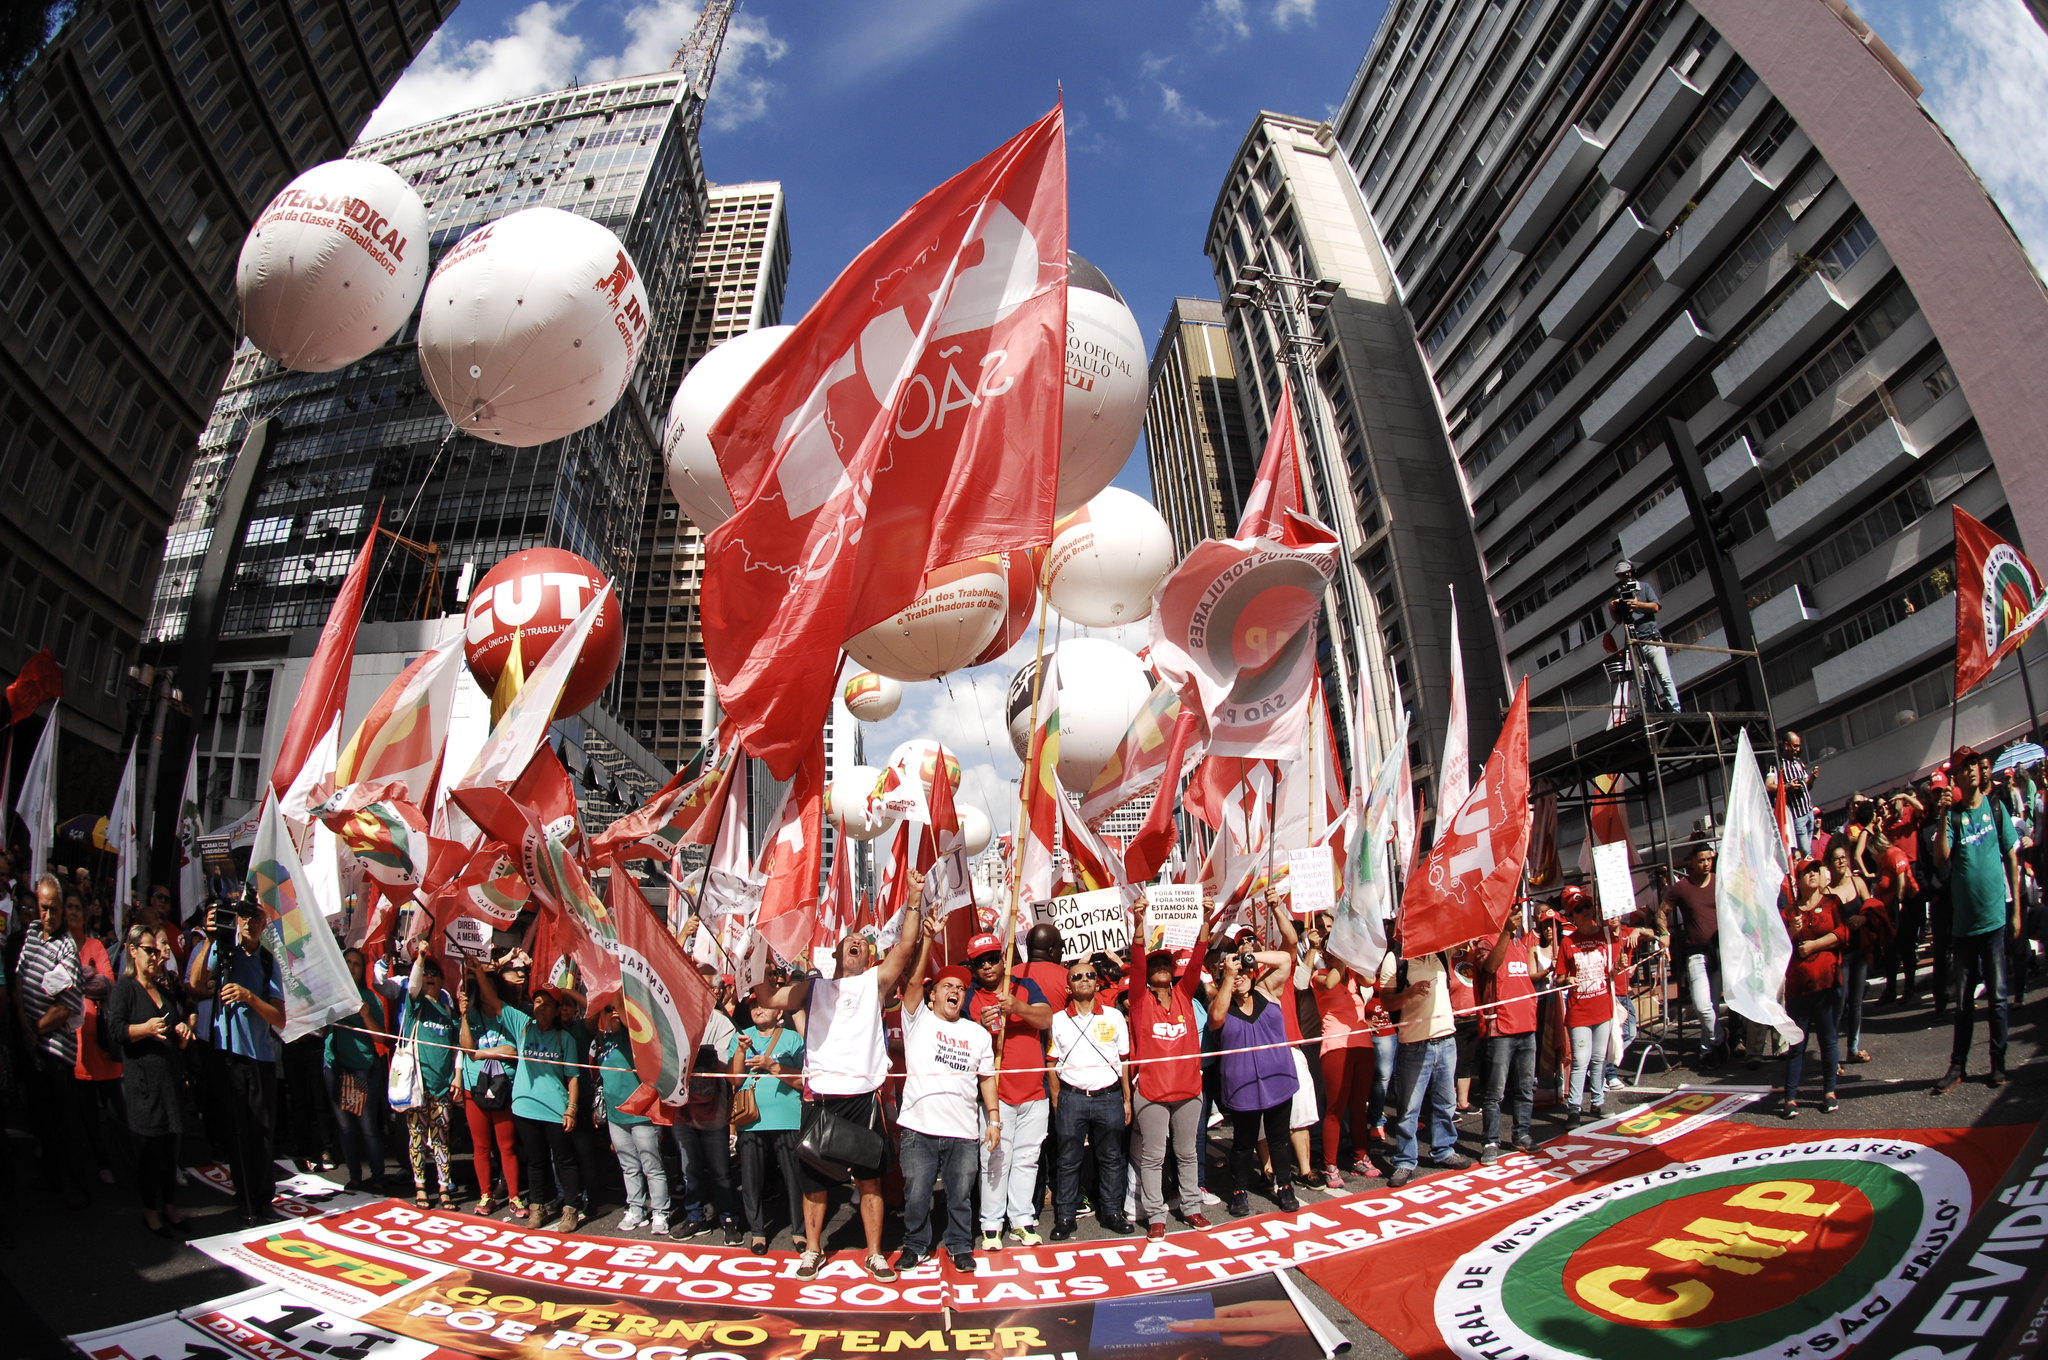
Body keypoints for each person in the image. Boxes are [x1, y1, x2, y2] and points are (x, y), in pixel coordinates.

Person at [748, 879, 925, 1282]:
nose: (857, 942)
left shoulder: (875, 982)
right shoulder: (813, 988)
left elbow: (905, 948)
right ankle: (813, 1250)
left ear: (868, 957)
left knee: (870, 1183)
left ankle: (875, 1254)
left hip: (863, 1099)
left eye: (863, 942)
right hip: (821, 1099)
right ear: (836, 953)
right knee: (814, 1183)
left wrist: (914, 900)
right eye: (850, 940)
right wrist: (758, 946)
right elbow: (769, 999)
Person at [895, 918, 997, 1273]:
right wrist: (927, 938)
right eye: (948, 986)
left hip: (963, 1131)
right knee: (916, 1194)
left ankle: (959, 1245)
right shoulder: (917, 1020)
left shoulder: (978, 1034)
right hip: (918, 1129)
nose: (955, 991)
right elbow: (911, 982)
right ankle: (915, 1245)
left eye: (961, 988)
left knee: (961, 1196)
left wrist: (994, 1120)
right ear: (933, 995)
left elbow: (987, 1079)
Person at [190, 896, 285, 1222]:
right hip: (227, 1054)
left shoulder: (268, 961)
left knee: (261, 1131)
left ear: (264, 923)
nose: (249, 922)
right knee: (235, 1129)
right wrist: (210, 939)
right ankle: (244, 1194)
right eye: (243, 916)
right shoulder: (223, 950)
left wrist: (248, 997)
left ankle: (263, 1197)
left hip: (259, 1057)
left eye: (255, 917)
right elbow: (196, 984)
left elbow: (279, 1018)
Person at [1932, 746, 2021, 1092]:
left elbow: (2011, 856)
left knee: (1997, 998)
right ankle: (1958, 1065)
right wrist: (1942, 815)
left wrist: (2015, 909)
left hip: (1994, 919)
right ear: (1954, 777)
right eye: (1963, 766)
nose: (1970, 770)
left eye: (1973, 764)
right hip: (1964, 927)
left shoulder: (1995, 807)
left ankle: (1998, 1063)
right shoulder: (1953, 816)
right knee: (1964, 1002)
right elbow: (1941, 858)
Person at [969, 926, 1058, 1252]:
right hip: (997, 1095)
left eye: (993, 958)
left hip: (1033, 1093)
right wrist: (979, 1025)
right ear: (974, 967)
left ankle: (1022, 1219)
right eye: (980, 962)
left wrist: (1017, 1007)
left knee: (1027, 1159)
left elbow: (1046, 1019)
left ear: (1003, 959)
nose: (988, 966)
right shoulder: (970, 996)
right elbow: (962, 1035)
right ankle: (991, 1224)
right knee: (994, 1160)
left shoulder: (1025, 985)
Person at [1129, 911, 1214, 1235]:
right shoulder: (1139, 1000)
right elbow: (1137, 961)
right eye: (1156, 965)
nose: (1162, 967)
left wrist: (1205, 919)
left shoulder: (1184, 994)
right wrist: (1139, 923)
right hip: (1151, 1093)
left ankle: (1192, 1208)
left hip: (1189, 1091)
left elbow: (1198, 957)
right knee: (1153, 1157)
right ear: (1147, 974)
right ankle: (1155, 1215)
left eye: (1167, 963)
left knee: (1187, 1153)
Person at [105, 925, 193, 1237]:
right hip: (144, 1085)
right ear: (133, 951)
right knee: (150, 1153)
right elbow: (116, 1030)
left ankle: (169, 1206)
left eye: (157, 951)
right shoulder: (125, 989)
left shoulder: (162, 989)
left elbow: (176, 1032)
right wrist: (145, 1028)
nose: (155, 956)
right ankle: (150, 1212)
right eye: (149, 950)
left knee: (170, 1150)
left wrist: (182, 1033)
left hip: (169, 1081)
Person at [477, 969, 582, 1231]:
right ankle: (537, 1207)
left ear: (557, 1010)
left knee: (564, 1161)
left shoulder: (565, 1038)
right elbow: (494, 1002)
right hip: (525, 1108)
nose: (540, 1007)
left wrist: (571, 1108)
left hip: (555, 1110)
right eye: (537, 1002)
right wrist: (479, 972)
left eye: (546, 1004)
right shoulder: (523, 1026)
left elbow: (573, 1077)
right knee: (535, 1162)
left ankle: (571, 1209)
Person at [16, 874, 93, 1205]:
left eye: (54, 909)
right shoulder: (33, 934)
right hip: (31, 1043)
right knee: (41, 1118)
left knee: (65, 1121)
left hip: (55, 1051)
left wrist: (35, 1029)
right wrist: (24, 1025)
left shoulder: (67, 948)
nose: (48, 915)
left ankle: (77, 1187)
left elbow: (67, 1006)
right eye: (43, 908)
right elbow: (19, 980)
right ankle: (50, 1176)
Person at [1212, 937, 1303, 1213]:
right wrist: (1228, 977)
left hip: (1278, 1080)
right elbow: (1216, 1019)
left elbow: (1285, 959)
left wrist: (1250, 957)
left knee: (1279, 1138)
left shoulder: (1267, 990)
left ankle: (1285, 1187)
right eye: (1233, 974)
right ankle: (1239, 1192)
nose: (1239, 976)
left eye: (1243, 972)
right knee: (1243, 1142)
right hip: (1243, 1086)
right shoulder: (1222, 1001)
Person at [1049, 951, 1133, 1240]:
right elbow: (1051, 1063)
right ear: (1068, 987)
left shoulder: (1115, 1016)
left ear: (1098, 984)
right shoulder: (1057, 1020)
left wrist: (1126, 1099)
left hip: (1109, 1097)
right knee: (1068, 1159)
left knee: (1111, 1157)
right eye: (1077, 976)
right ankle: (1065, 1216)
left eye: (1090, 976)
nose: (1084, 979)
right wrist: (1057, 1099)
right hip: (1072, 1098)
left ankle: (1112, 1212)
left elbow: (1124, 1061)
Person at [1376, 929, 1467, 1189]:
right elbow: (1386, 1001)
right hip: (1414, 1043)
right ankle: (1405, 1160)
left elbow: (1462, 937)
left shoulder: (1441, 952)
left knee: (1446, 1102)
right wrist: (1409, 993)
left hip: (1446, 1039)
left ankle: (1444, 1149)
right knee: (1409, 1108)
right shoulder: (1395, 959)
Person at [731, 992, 806, 1253]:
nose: (757, 1009)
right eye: (753, 1006)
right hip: (751, 1119)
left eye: (763, 1005)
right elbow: (735, 1080)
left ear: (779, 1012)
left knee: (794, 1178)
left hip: (788, 1118)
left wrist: (773, 1066)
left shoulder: (793, 1038)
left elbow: (804, 1081)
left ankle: (800, 1230)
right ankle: (758, 1232)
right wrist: (740, 1052)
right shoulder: (742, 1036)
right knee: (751, 1179)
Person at [1304, 915, 1376, 1187]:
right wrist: (1343, 959)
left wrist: (1356, 957)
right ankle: (1330, 1165)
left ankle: (1360, 1156)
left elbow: (1370, 979)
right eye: (1335, 949)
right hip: (1336, 1046)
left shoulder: (1354, 976)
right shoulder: (1319, 976)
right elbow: (1331, 983)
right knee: (1335, 1106)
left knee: (1359, 1105)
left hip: (1362, 1044)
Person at [386, 948, 460, 1208]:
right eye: (425, 973)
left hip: (442, 1088)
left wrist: (456, 1078)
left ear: (442, 981)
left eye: (434, 974)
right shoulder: (415, 1004)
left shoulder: (448, 1011)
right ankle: (420, 1187)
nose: (429, 977)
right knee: (417, 1138)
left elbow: (456, 1048)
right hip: (418, 1086)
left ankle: (444, 1187)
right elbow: (414, 984)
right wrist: (419, 958)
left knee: (441, 1140)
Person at [672, 963, 740, 1243]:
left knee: (720, 1170)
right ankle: (695, 1217)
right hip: (682, 1108)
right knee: (690, 1169)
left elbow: (720, 1064)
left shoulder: (723, 1024)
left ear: (715, 992)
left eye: (705, 986)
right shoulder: (676, 1019)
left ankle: (729, 1219)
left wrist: (692, 1053)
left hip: (713, 1110)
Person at [1476, 914, 1549, 1164]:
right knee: (1495, 1092)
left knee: (1525, 1088)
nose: (1517, 917)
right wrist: (1506, 933)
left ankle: (1522, 1134)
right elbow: (1490, 967)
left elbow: (1526, 978)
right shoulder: (1486, 942)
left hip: (1526, 1025)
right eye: (1512, 912)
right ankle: (1490, 1140)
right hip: (1501, 1029)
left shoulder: (1520, 944)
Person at [592, 1002, 669, 1235]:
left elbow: (634, 1027)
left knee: (652, 1165)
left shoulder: (636, 1038)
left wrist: (621, 1007)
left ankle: (660, 1212)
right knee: (628, 1166)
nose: (613, 1012)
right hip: (616, 1115)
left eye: (618, 1008)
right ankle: (636, 1209)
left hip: (642, 1113)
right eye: (608, 1010)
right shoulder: (603, 1041)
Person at [455, 959, 520, 1214]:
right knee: (481, 1146)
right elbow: (467, 1048)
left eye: (489, 988)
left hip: (504, 1088)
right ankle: (485, 1195)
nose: (484, 993)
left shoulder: (507, 1014)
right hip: (475, 1088)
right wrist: (463, 1016)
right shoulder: (472, 1014)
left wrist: (483, 1054)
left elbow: (512, 1050)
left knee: (507, 1146)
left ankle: (514, 1196)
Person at [1781, 860, 1844, 1117]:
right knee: (1797, 1043)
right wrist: (1791, 932)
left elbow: (1843, 933)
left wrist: (1815, 945)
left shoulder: (1832, 903)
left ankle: (1829, 1092)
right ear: (1798, 880)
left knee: (1828, 1039)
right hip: (1798, 987)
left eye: (1816, 870)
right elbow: (1778, 948)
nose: (1813, 874)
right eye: (1807, 872)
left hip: (1827, 982)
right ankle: (1790, 1097)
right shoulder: (1789, 913)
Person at [324, 948, 388, 1193]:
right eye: (347, 962)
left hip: (361, 1068)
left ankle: (378, 1176)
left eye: (357, 964)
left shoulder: (368, 997)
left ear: (363, 970)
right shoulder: (330, 994)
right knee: (345, 1126)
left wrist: (366, 1015)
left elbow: (380, 1037)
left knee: (367, 1126)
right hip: (334, 1065)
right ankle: (354, 1176)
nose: (351, 968)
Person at [1557, 889, 1622, 1128]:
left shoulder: (1606, 935)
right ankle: (1574, 1108)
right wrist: (1567, 980)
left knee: (1598, 1058)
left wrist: (1620, 965)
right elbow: (1559, 977)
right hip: (1579, 1011)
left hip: (1602, 1007)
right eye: (1579, 909)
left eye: (1587, 906)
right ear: (1572, 916)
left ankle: (1597, 1101)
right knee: (1581, 1060)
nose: (1585, 911)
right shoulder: (1568, 942)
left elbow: (1614, 969)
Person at [1659, 847, 1724, 1063]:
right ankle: (1719, 1040)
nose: (1706, 864)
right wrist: (1665, 933)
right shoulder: (1682, 887)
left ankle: (1708, 1051)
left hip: (1720, 951)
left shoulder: (1720, 881)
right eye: (1702, 860)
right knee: (1702, 1006)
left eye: (1709, 860)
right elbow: (1661, 912)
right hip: (1696, 953)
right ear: (1692, 862)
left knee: (1713, 1005)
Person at [1609, 560, 1678, 713]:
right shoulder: (1618, 593)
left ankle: (1676, 711)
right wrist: (1612, 608)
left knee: (1664, 678)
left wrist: (1638, 604)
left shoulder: (1644, 587)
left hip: (1652, 640)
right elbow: (1618, 620)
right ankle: (1650, 714)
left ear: (1631, 573)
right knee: (1643, 684)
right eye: (1619, 576)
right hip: (1634, 645)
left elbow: (1656, 607)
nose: (1622, 579)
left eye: (1624, 575)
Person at [1766, 732, 1820, 857]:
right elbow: (1768, 786)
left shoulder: (1798, 763)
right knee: (1806, 852)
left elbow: (1807, 786)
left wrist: (1812, 778)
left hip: (1809, 811)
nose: (1798, 749)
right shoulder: (1777, 764)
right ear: (1786, 745)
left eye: (1798, 746)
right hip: (1797, 815)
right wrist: (1787, 786)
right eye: (1795, 746)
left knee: (1810, 848)